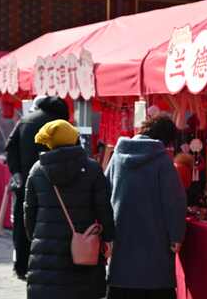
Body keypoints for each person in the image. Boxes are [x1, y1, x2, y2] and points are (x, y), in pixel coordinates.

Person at [24, 119, 115, 299]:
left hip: (46, 255)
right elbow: (104, 209)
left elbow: (29, 213)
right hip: (84, 252)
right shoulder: (92, 169)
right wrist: (109, 238)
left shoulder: (37, 170)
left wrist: (37, 238)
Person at [106, 115, 187, 299]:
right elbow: (174, 201)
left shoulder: (118, 156)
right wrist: (176, 235)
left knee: (122, 285)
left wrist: (106, 232)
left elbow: (104, 191)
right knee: (154, 285)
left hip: (122, 238)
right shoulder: (162, 161)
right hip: (154, 242)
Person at [5, 96, 69, 280]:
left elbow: (10, 147)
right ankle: (48, 267)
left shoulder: (25, 120)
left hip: (25, 183)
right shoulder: (58, 123)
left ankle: (21, 267)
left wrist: (16, 172)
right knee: (50, 226)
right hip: (53, 185)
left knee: (22, 223)